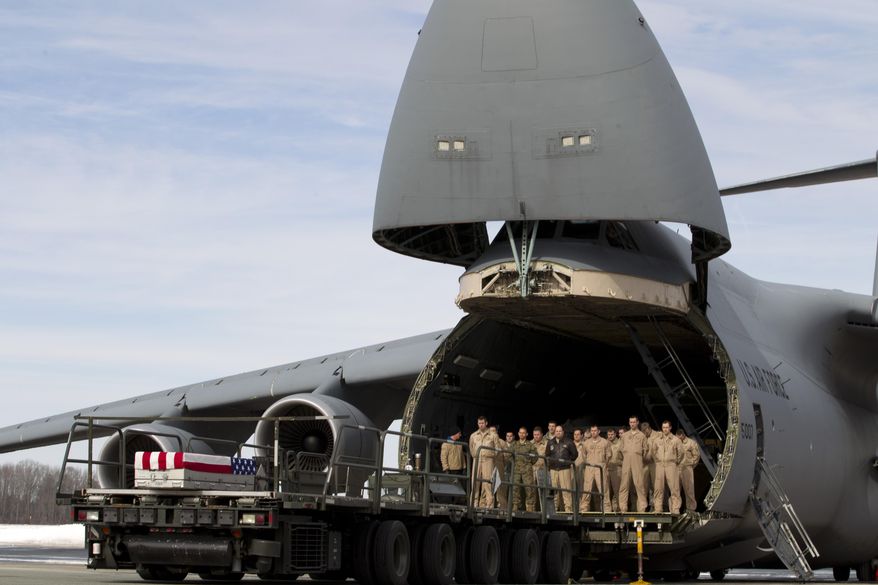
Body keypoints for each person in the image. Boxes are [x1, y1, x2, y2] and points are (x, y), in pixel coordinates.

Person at [469, 416, 504, 508]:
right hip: (477, 460)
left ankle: (489, 503)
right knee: (474, 481)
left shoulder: (493, 435)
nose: (481, 425)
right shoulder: (473, 435)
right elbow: (471, 448)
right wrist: (475, 456)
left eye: (482, 423)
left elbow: (498, 449)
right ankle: (473, 502)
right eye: (479, 423)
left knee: (488, 482)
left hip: (488, 460)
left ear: (486, 423)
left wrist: (491, 455)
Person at [651, 421, 683, 514]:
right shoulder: (657, 440)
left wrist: (675, 461)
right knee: (658, 488)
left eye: (666, 427)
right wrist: (657, 460)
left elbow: (681, 453)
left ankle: (675, 508)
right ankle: (658, 508)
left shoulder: (675, 440)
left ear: (670, 428)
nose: (665, 429)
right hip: (660, 465)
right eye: (663, 427)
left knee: (674, 488)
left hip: (671, 465)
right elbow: (653, 452)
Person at [619, 416, 648, 513]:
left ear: (637, 422)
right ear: (629, 423)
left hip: (637, 461)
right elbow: (621, 449)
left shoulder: (642, 436)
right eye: (631, 422)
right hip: (627, 461)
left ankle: (642, 508)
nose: (632, 424)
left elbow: (645, 450)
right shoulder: (625, 435)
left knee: (639, 484)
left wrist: (638, 457)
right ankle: (623, 508)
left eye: (634, 422)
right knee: (624, 485)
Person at [580, 425, 612, 513]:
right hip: (589, 468)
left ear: (599, 431)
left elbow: (608, 456)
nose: (593, 432)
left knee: (604, 489)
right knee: (587, 489)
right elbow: (584, 456)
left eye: (595, 430)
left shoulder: (605, 442)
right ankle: (584, 509)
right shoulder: (586, 443)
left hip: (600, 468)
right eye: (592, 431)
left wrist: (603, 465)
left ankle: (607, 510)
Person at [546, 425, 578, 513]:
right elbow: (547, 454)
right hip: (553, 469)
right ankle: (554, 510)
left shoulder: (569, 442)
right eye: (556, 431)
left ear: (563, 432)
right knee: (554, 491)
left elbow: (575, 454)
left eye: (560, 431)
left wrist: (567, 462)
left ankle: (568, 510)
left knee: (566, 490)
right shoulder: (550, 442)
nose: (558, 432)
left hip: (565, 469)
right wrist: (551, 464)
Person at [509, 426, 537, 511]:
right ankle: (516, 505)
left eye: (523, 433)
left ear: (527, 434)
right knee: (515, 487)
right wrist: (514, 463)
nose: (522, 434)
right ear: (518, 434)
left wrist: (528, 463)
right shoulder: (514, 444)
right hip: (516, 469)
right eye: (520, 433)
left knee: (529, 488)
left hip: (527, 470)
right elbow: (509, 455)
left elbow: (535, 457)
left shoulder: (530, 445)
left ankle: (530, 506)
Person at [677, 428, 701, 512]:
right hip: (676, 468)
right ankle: (675, 508)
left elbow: (696, 456)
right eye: (677, 437)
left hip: (686, 468)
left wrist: (690, 465)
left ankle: (690, 508)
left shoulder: (691, 443)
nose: (679, 438)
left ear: (683, 435)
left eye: (680, 437)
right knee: (675, 490)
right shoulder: (675, 442)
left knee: (689, 490)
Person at [495, 430, 515, 509]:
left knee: (513, 489)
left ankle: (511, 506)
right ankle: (501, 505)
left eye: (510, 436)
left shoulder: (515, 445)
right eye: (507, 436)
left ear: (513, 437)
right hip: (504, 470)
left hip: (512, 470)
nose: (509, 437)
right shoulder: (502, 444)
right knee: (502, 488)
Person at [531, 426, 549, 510]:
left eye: (538, 434)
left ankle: (545, 510)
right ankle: (532, 510)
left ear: (542, 434)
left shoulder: (547, 443)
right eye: (534, 434)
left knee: (543, 492)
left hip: (543, 470)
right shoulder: (530, 444)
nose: (536, 436)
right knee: (531, 492)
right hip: (532, 471)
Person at [640, 421, 657, 510]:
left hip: (654, 464)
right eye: (642, 431)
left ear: (649, 428)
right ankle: (643, 507)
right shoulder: (642, 437)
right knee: (644, 486)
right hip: (644, 464)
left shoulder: (658, 435)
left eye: (645, 431)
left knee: (656, 486)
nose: (644, 432)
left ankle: (655, 507)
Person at [606, 428, 623, 512]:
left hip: (617, 469)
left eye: (612, 434)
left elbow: (625, 456)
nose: (610, 436)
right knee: (607, 491)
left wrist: (619, 462)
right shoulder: (605, 443)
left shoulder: (620, 443)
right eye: (608, 435)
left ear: (615, 434)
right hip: (607, 470)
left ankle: (619, 509)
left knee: (617, 491)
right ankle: (608, 510)